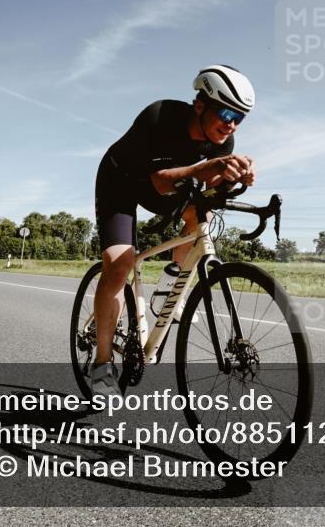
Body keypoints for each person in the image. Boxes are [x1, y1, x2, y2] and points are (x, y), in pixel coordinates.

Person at [90, 65, 257, 397]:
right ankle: (102, 364)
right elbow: (157, 182)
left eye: (240, 117)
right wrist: (202, 168)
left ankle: (173, 278)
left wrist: (234, 178)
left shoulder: (225, 140)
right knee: (120, 265)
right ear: (200, 104)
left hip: (171, 189)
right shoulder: (160, 117)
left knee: (203, 216)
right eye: (225, 111)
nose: (231, 123)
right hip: (123, 185)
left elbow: (207, 186)